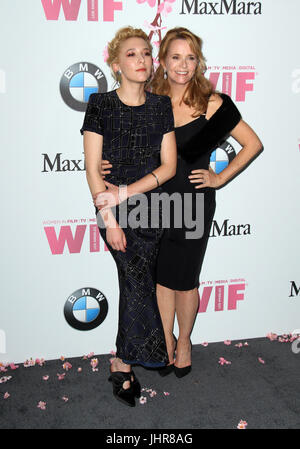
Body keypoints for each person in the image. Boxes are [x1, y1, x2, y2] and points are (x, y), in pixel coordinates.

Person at [101, 27, 262, 379]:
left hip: (193, 206)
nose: (183, 65)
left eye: (190, 57)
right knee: (161, 280)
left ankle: (185, 341)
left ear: (198, 62)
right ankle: (166, 343)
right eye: (176, 56)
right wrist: (105, 164)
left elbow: (253, 143)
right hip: (153, 203)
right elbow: (123, 144)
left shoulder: (213, 103)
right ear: (163, 60)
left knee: (186, 280)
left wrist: (219, 177)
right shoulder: (148, 99)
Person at [80, 26, 177, 407]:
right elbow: (91, 169)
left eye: (146, 53)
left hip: (151, 208)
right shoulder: (100, 104)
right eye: (132, 54)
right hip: (113, 212)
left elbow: (168, 167)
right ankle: (137, 356)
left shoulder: (160, 106)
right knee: (136, 278)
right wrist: (112, 217)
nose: (142, 60)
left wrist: (127, 191)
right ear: (116, 63)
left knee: (134, 282)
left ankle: (122, 358)